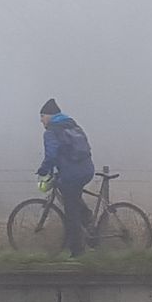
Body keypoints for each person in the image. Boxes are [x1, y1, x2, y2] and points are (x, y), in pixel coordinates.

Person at [35, 98, 95, 257]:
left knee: (71, 212)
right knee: (72, 196)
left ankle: (77, 252)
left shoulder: (51, 132)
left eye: (42, 116)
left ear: (49, 116)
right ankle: (88, 219)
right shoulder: (73, 126)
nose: (41, 120)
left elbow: (51, 155)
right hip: (86, 169)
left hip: (72, 173)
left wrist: (43, 170)